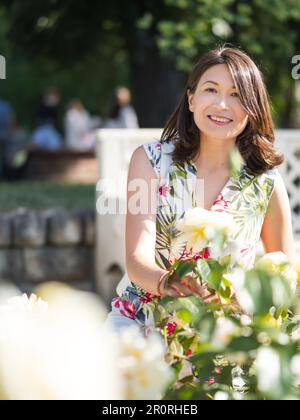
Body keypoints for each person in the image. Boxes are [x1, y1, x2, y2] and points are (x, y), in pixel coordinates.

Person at [105, 46, 295, 336]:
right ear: (191, 99)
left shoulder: (266, 183)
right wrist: (171, 285)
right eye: (211, 90)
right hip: (144, 323)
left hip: (225, 334)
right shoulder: (151, 161)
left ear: (252, 108)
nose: (222, 104)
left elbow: (283, 274)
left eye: (237, 95)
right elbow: (136, 259)